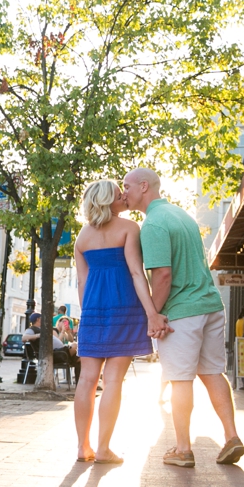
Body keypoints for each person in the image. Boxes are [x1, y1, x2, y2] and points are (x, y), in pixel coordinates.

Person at [123, 167, 244, 468]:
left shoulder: (152, 224)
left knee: (180, 379)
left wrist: (154, 314)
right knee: (214, 373)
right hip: (211, 305)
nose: (123, 192)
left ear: (143, 186)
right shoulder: (182, 216)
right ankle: (231, 437)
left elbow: (163, 275)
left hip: (182, 311)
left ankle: (182, 449)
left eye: (126, 186)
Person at [73, 180, 170, 464]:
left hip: (92, 311)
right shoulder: (129, 228)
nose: (124, 198)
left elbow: (82, 281)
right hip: (125, 309)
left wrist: (89, 312)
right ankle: (102, 449)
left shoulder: (82, 237)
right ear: (107, 201)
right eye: (119, 195)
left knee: (87, 380)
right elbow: (137, 274)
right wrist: (151, 311)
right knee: (113, 381)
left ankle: (83, 447)